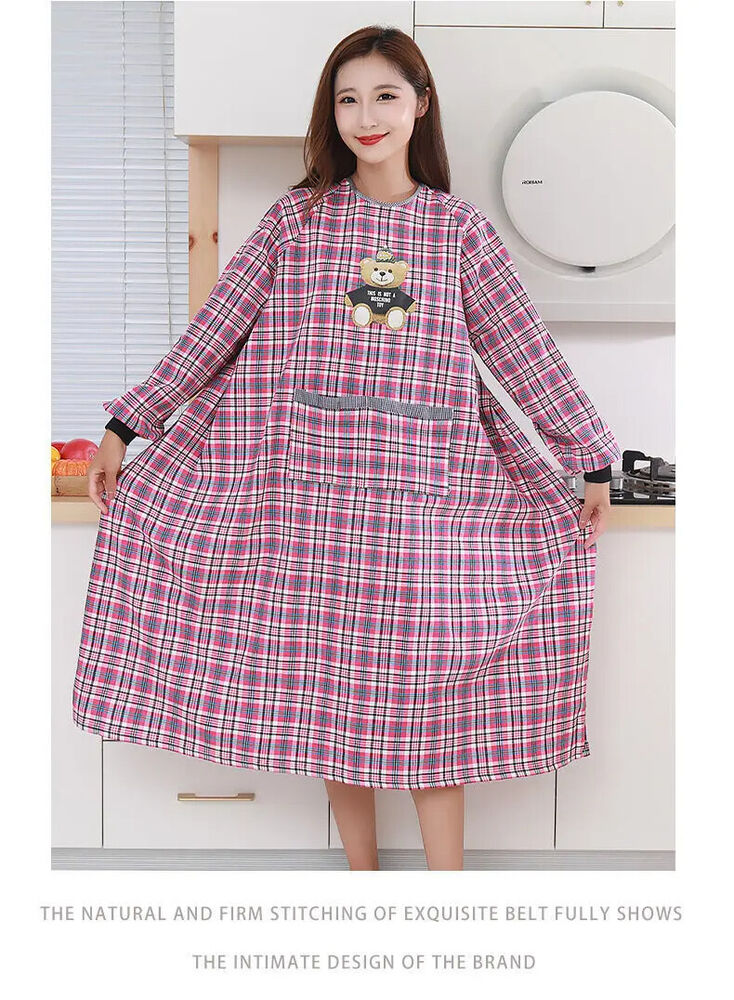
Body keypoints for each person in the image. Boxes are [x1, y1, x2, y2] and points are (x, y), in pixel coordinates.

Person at [76, 27, 619, 872]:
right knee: (330, 703)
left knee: (429, 707)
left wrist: (588, 456)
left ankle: (446, 897)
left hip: (422, 508)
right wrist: (126, 425)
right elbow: (214, 334)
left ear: (421, 105)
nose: (367, 116)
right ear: (331, 113)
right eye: (348, 99)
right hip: (307, 502)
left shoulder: (457, 230)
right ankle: (363, 879)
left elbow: (521, 348)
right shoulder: (295, 220)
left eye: (386, 96)